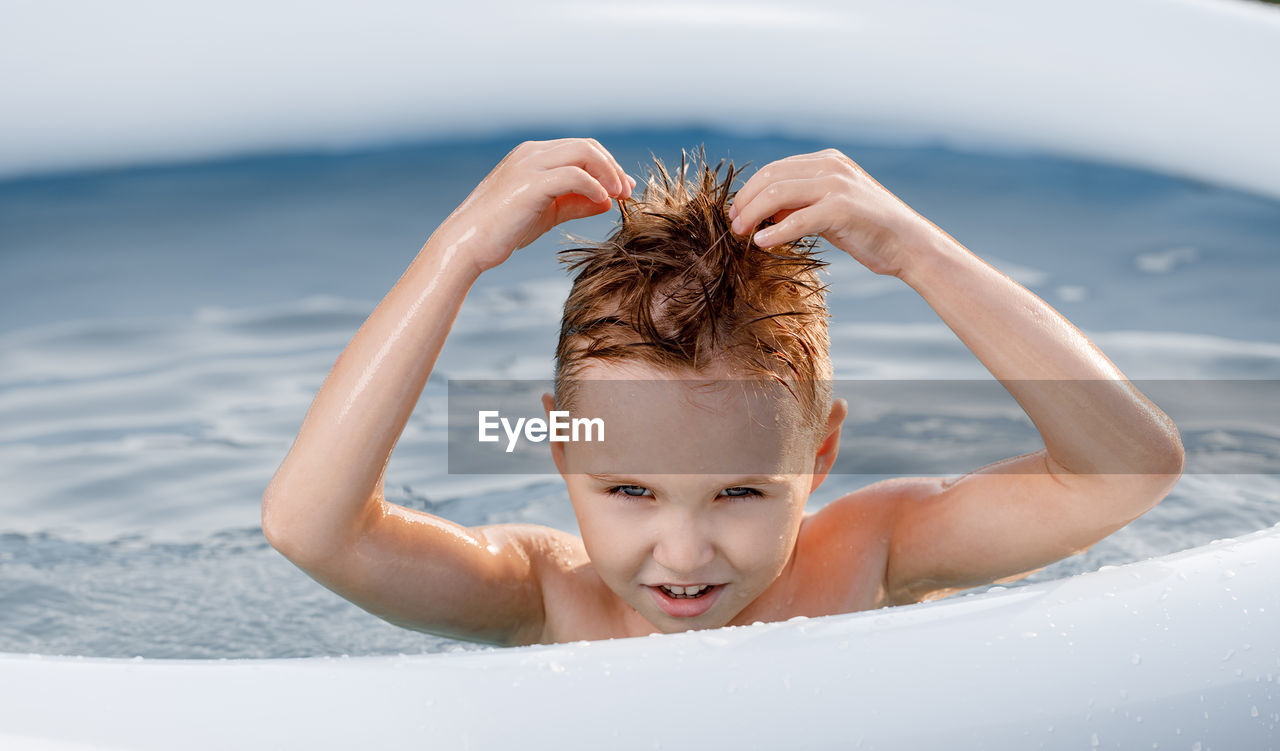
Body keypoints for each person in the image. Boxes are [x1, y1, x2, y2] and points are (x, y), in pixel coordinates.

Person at [261, 138, 1184, 647]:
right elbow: (314, 527)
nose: (684, 550)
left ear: (819, 453)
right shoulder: (547, 600)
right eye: (630, 490)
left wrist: (916, 251)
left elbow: (1126, 471)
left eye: (741, 491)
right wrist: (458, 250)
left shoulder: (867, 560)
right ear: (563, 442)